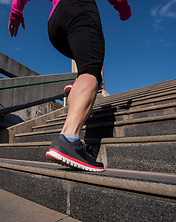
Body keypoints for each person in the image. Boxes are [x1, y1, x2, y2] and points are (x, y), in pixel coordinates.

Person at [8, 0, 131, 172]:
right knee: (91, 70)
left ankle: (77, 93)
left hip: (55, 24)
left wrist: (16, 11)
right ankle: (68, 139)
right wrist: (124, 9)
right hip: (78, 9)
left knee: (86, 63)